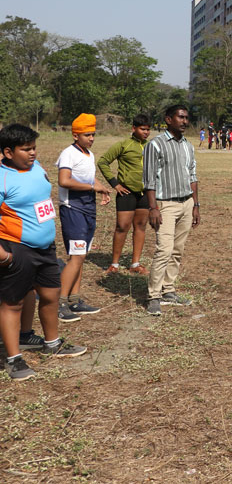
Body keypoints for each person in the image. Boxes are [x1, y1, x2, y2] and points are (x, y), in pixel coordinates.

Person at [1, 124, 87, 380]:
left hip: (46, 248)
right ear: (8, 152)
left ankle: (52, 343)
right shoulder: (2, 178)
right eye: (26, 149)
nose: (32, 153)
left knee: (50, 295)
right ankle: (13, 359)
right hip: (17, 248)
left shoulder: (36, 167)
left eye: (34, 148)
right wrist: (4, 255)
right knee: (13, 304)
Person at [143, 104, 200, 316]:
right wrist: (153, 208)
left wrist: (195, 205)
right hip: (164, 205)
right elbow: (149, 180)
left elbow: (193, 176)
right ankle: (154, 295)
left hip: (186, 203)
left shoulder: (188, 146)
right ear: (168, 119)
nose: (185, 121)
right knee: (164, 250)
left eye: (186, 118)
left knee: (177, 250)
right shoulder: (155, 145)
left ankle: (168, 289)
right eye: (180, 117)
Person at [56, 113, 112, 322]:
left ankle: (74, 300)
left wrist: (101, 188)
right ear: (75, 135)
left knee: (80, 255)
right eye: (87, 135)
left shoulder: (89, 154)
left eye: (93, 134)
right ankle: (60, 303)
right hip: (73, 210)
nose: (91, 138)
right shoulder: (68, 154)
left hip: (88, 209)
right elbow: (64, 180)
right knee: (77, 256)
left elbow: (89, 178)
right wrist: (90, 187)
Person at [97, 113, 153, 276]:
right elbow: (103, 162)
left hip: (145, 193)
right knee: (122, 227)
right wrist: (115, 184)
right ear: (134, 128)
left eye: (148, 129)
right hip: (126, 193)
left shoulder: (151, 147)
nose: (146, 132)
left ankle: (135, 263)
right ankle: (114, 264)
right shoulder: (123, 145)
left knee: (140, 226)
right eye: (142, 129)